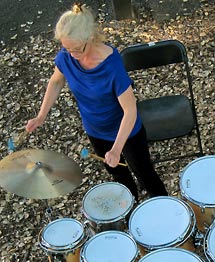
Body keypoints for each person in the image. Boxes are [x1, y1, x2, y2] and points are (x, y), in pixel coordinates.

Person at [25, 3, 167, 201]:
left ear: (89, 38)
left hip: (126, 131)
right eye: (67, 49)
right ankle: (129, 204)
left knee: (145, 174)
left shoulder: (111, 64)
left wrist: (117, 149)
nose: (72, 55)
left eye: (76, 49)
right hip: (95, 130)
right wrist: (41, 115)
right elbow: (56, 81)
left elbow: (130, 110)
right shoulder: (66, 57)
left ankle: (163, 206)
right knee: (117, 174)